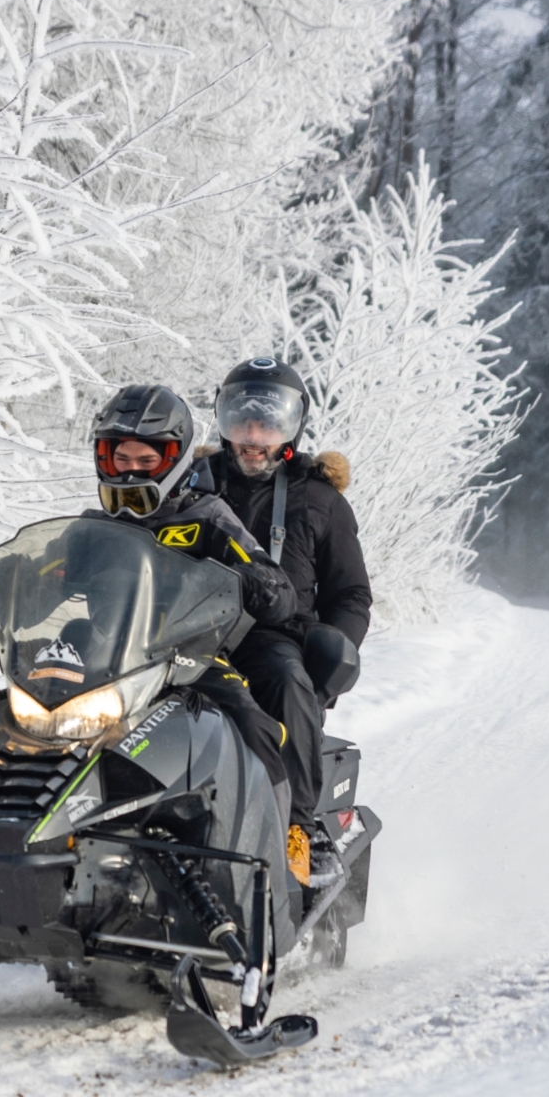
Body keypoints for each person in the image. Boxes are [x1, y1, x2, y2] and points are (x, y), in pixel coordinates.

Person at [83, 383, 300, 812]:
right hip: (102, 657)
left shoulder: (206, 515)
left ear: (175, 459)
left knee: (250, 720)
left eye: (146, 461)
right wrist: (16, 579)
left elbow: (276, 585)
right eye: (121, 459)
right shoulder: (93, 526)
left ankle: (285, 826)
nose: (131, 472)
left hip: (186, 655)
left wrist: (253, 580)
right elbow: (48, 570)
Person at [199, 357, 374, 884]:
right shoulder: (194, 486)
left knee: (287, 679)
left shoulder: (319, 499)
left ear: (292, 427)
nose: (254, 436)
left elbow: (350, 593)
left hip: (273, 636)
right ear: (224, 421)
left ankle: (299, 829)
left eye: (268, 423)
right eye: (243, 421)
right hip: (188, 629)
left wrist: (331, 658)